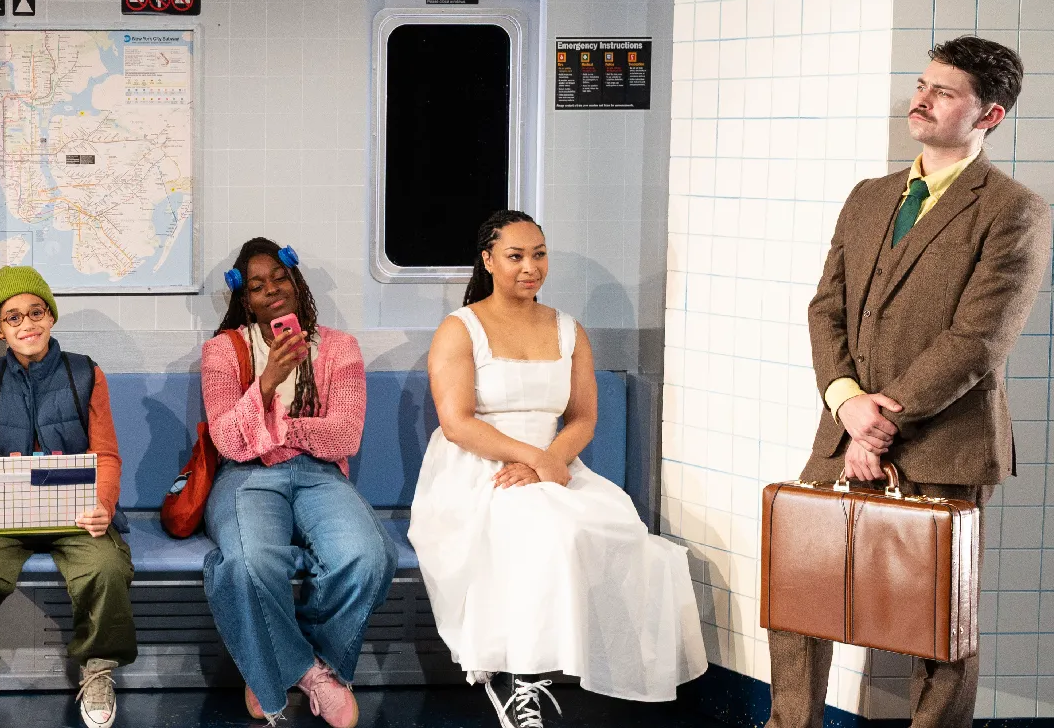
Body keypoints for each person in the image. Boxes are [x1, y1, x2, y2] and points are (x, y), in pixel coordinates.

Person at [767, 36, 1051, 728]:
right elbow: (825, 308)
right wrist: (847, 406)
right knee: (798, 597)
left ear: (990, 116)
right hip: (842, 430)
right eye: (922, 85)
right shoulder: (869, 198)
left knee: (938, 623)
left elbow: (979, 338)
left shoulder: (1014, 210)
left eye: (943, 91)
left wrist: (882, 421)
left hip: (946, 439)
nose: (919, 100)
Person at [409, 210, 706, 728]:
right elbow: (456, 423)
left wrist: (550, 460)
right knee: (547, 530)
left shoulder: (569, 330)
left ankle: (584, 673)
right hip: (479, 466)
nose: (531, 267)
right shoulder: (461, 329)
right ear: (488, 261)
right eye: (516, 256)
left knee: (620, 527)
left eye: (539, 255)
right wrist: (530, 459)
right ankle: (517, 680)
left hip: (553, 461)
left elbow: (583, 416)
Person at [199, 237, 393, 728]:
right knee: (248, 561)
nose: (272, 291)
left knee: (368, 555)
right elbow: (227, 441)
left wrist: (278, 429)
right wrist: (266, 382)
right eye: (258, 286)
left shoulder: (339, 348)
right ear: (245, 299)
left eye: (279, 278)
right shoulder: (224, 351)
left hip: (319, 475)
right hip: (247, 476)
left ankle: (270, 655)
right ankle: (309, 673)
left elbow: (345, 435)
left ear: (296, 280)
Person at [0, 265, 134, 728]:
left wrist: (103, 505)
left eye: (35, 312)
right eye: (13, 317)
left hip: (78, 512)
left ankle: (98, 667)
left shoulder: (86, 373)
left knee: (104, 566)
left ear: (51, 315)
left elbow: (106, 453)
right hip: (7, 514)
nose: (27, 324)